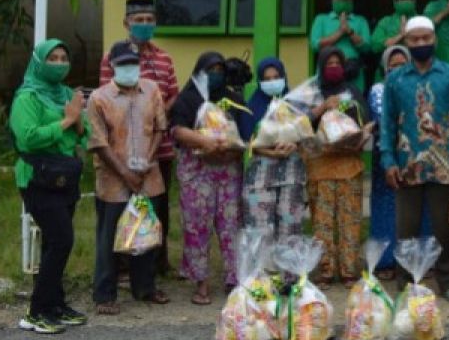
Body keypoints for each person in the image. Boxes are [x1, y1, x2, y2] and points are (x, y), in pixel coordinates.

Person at [380, 16, 449, 303]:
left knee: (445, 226)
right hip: (408, 161)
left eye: (425, 39)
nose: (421, 44)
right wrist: (388, 160)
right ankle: (407, 281)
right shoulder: (395, 79)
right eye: (414, 40)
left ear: (433, 39)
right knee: (406, 227)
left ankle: (448, 281)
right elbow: (387, 123)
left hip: (446, 159)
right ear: (406, 43)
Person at [98, 0, 180, 275]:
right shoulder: (113, 58)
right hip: (122, 148)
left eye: (149, 20)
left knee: (157, 208)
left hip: (160, 148)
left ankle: (157, 264)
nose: (144, 25)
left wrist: (157, 110)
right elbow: (107, 101)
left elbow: (173, 96)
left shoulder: (164, 59)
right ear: (126, 23)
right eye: (138, 20)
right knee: (122, 208)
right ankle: (122, 267)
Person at [11, 40, 88, 334]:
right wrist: (67, 121)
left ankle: (55, 304)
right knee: (61, 241)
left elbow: (85, 135)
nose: (59, 63)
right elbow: (28, 137)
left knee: (53, 244)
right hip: (37, 178)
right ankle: (36, 312)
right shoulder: (26, 97)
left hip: (65, 176)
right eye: (52, 58)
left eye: (63, 58)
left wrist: (78, 122)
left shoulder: (67, 94)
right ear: (39, 62)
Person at [87, 41, 170, 314]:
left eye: (133, 63)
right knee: (109, 237)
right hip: (113, 181)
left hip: (149, 175)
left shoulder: (152, 90)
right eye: (122, 64)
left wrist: (147, 160)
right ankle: (104, 294)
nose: (129, 68)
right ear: (112, 66)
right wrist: (125, 174)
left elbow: (160, 127)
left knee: (145, 233)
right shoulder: (99, 98)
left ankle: (145, 287)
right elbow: (98, 142)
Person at [169, 52, 245, 305]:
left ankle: (234, 278)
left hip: (228, 171)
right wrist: (203, 140)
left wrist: (230, 143)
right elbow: (177, 130)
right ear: (198, 72)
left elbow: (245, 132)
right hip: (197, 172)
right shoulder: (187, 99)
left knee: (231, 224)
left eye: (220, 70)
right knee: (197, 225)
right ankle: (200, 282)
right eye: (210, 69)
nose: (216, 75)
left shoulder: (231, 99)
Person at [306, 46, 372, 285]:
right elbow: (300, 123)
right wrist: (323, 108)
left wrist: (360, 135)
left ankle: (348, 270)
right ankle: (325, 270)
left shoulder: (352, 91)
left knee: (350, 221)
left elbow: (366, 119)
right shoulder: (311, 93)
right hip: (320, 166)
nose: (333, 68)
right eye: (328, 64)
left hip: (349, 165)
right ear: (321, 67)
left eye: (338, 63)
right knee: (322, 222)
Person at [241, 57, 307, 241]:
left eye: (276, 77)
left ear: (284, 77)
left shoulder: (295, 104)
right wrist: (269, 152)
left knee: (290, 227)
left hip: (291, 174)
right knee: (260, 228)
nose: (272, 82)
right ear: (260, 81)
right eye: (267, 79)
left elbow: (307, 134)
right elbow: (247, 140)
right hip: (261, 176)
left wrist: (295, 143)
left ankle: (289, 269)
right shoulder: (252, 106)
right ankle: (263, 269)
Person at [368, 44, 410, 277]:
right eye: (393, 66)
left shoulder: (418, 86)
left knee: (415, 208)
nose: (397, 69)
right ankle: (385, 261)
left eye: (403, 65)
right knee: (386, 207)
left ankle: (416, 260)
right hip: (386, 156)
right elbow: (383, 117)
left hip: (414, 157)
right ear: (385, 68)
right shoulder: (378, 90)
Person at [309, 0, 372, 89]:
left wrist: (350, 32)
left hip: (353, 76)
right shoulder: (321, 19)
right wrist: (340, 32)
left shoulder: (360, 21)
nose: (344, 0)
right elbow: (315, 45)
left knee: (353, 104)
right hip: (326, 74)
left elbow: (367, 47)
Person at [372, 0, 418, 70]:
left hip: (416, 68)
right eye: (402, 0)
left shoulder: (420, 20)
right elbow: (375, 46)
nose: (405, 2)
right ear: (395, 2)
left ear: (413, 1)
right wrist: (400, 35)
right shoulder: (386, 21)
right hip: (389, 68)